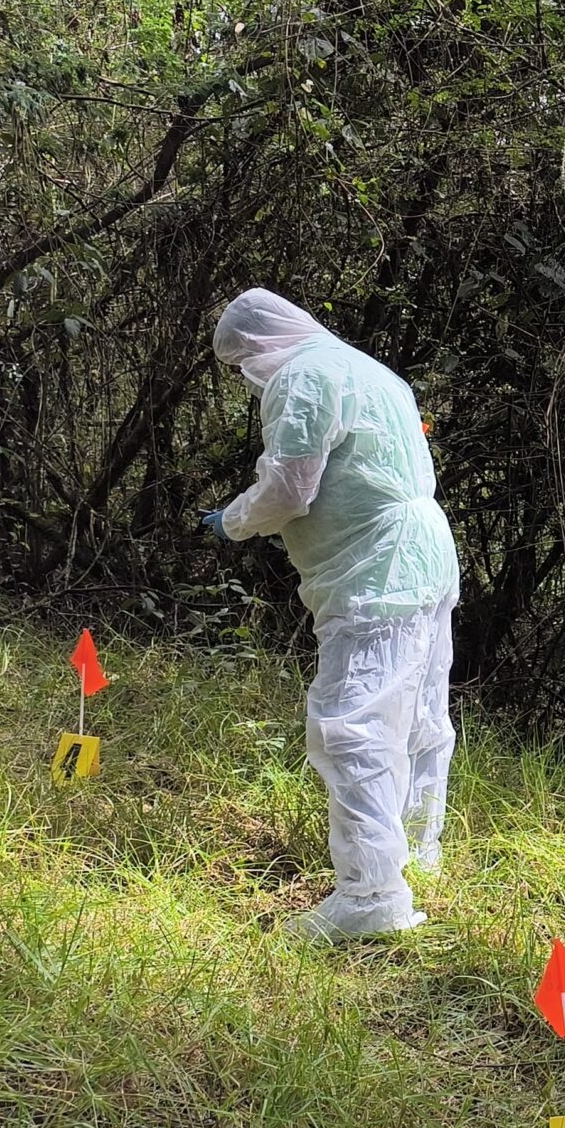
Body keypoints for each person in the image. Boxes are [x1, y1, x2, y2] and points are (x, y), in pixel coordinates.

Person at [203, 289, 461, 942]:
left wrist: (233, 522)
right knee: (420, 721)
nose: (249, 375)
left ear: (259, 345)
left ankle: (372, 895)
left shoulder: (305, 375)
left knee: (354, 726)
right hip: (426, 556)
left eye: (243, 363)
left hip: (375, 571)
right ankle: (418, 860)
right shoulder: (371, 371)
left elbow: (291, 487)